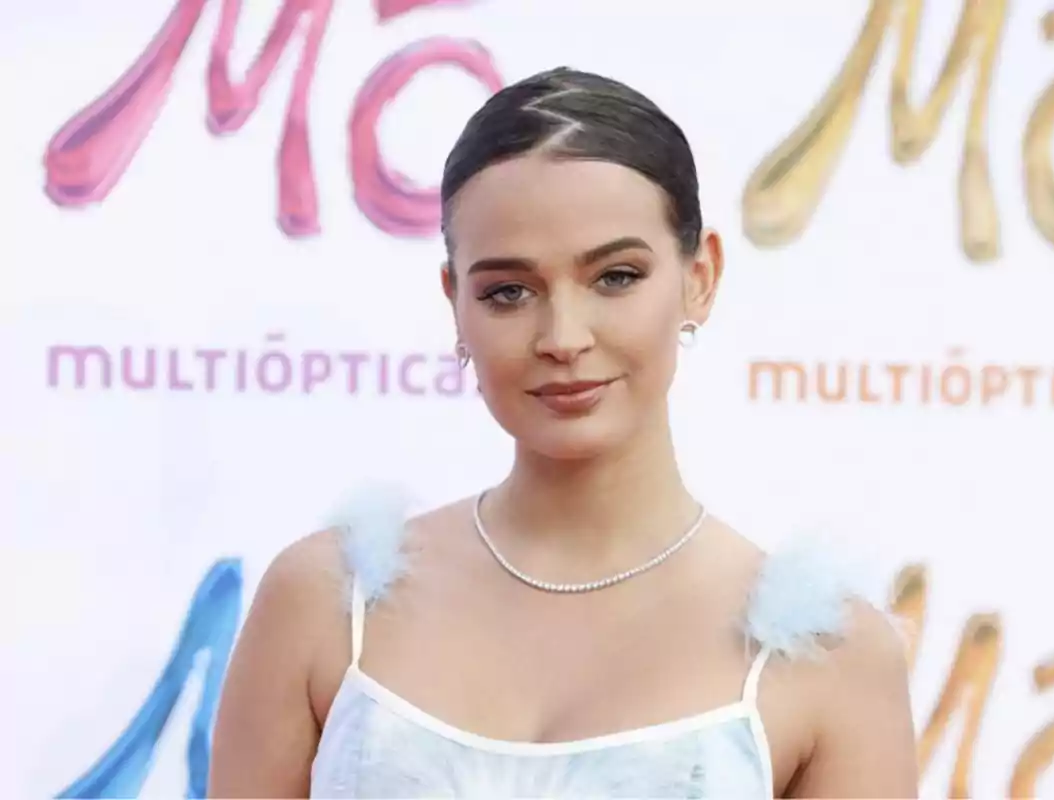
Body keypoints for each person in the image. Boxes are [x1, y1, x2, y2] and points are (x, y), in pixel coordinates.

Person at [208, 66, 919, 799]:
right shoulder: (325, 603)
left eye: (615, 277)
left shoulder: (831, 656)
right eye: (508, 292)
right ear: (456, 301)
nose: (562, 336)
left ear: (699, 276)